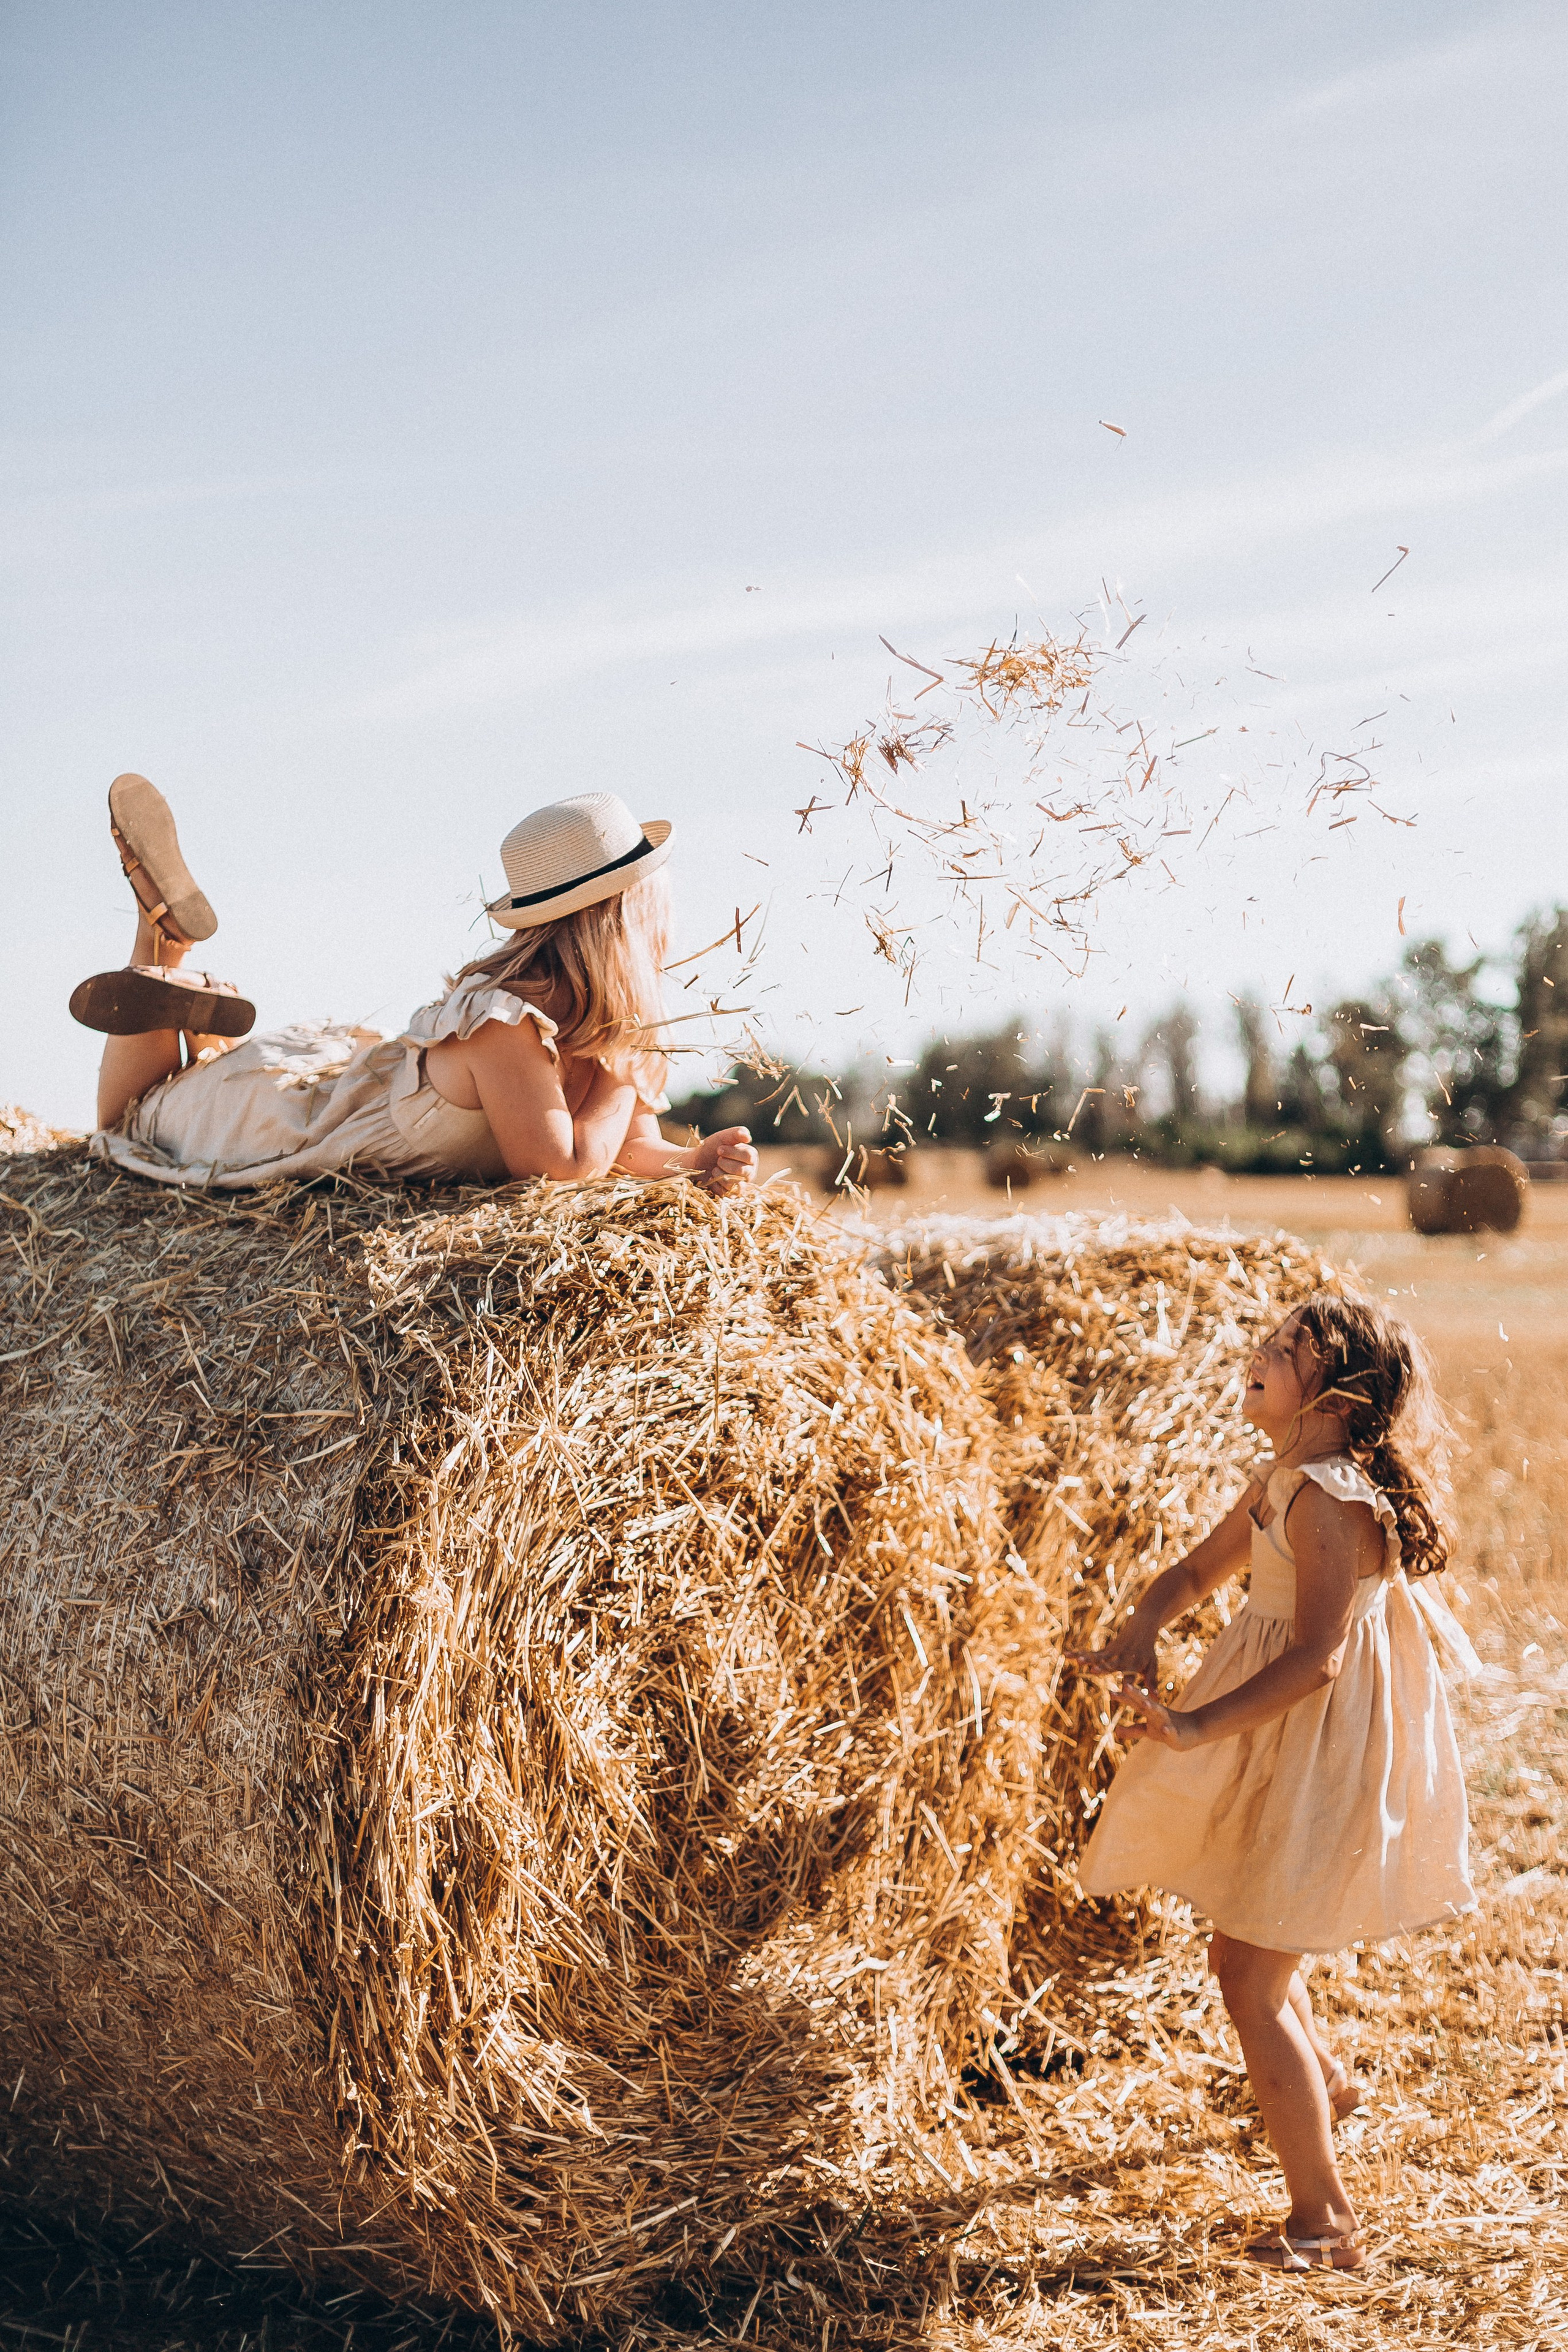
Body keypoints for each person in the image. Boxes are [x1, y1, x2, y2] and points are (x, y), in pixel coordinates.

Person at [1068, 1290, 1476, 2274]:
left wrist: (1199, 1726)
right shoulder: (1283, 1476)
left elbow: (1319, 1659)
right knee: (1250, 1948)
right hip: (1286, 1738)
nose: (1259, 1352)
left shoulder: (1330, 1499)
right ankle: (1326, 2082)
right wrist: (1142, 1626)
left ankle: (1322, 2224)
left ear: (1332, 1396)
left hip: (1320, 1743)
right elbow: (1199, 1571)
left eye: (1285, 1349)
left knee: (1249, 1975)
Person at [72, 774, 758, 1193]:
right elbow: (561, 1167)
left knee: (167, 1104)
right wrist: (619, 1073)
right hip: (282, 1125)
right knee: (129, 1127)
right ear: (624, 919)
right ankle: (163, 944)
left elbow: (627, 1148)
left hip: (347, 1084)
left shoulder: (594, 1030)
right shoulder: (504, 1024)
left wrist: (693, 1160)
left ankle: (189, 1013)